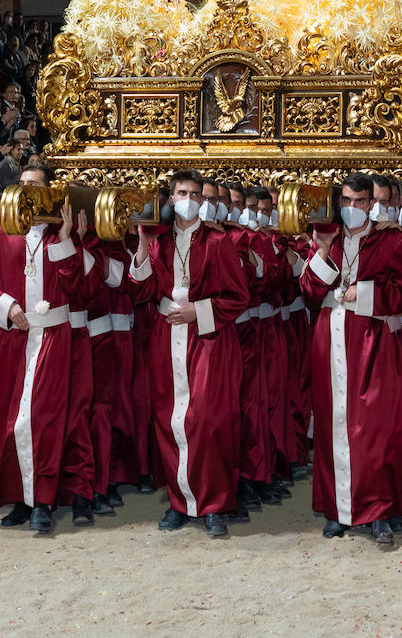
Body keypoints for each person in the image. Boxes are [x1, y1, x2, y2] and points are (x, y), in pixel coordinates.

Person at [298, 172, 402, 543]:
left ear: (371, 204)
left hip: (371, 340)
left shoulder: (391, 240)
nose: (351, 209)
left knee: (374, 426)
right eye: (346, 202)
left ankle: (378, 509)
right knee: (332, 422)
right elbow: (307, 290)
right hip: (329, 338)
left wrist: (362, 294)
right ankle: (338, 508)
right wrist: (321, 250)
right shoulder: (326, 237)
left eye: (358, 202)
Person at [128, 169, 248, 538]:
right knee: (170, 418)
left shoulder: (217, 242)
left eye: (195, 194)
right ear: (170, 197)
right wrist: (140, 248)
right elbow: (142, 291)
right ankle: (180, 502)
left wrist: (198, 311)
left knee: (206, 420)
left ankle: (214, 504)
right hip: (167, 338)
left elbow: (238, 298)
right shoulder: (159, 241)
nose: (189, 200)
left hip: (207, 339)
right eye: (182, 192)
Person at [0, 164, 88, 535]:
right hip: (14, 340)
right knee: (9, 422)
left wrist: (68, 238)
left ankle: (44, 500)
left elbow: (76, 290)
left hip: (53, 339)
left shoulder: (59, 236)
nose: (26, 191)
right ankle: (21, 499)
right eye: (21, 185)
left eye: (34, 186)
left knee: (43, 421)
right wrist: (7, 306)